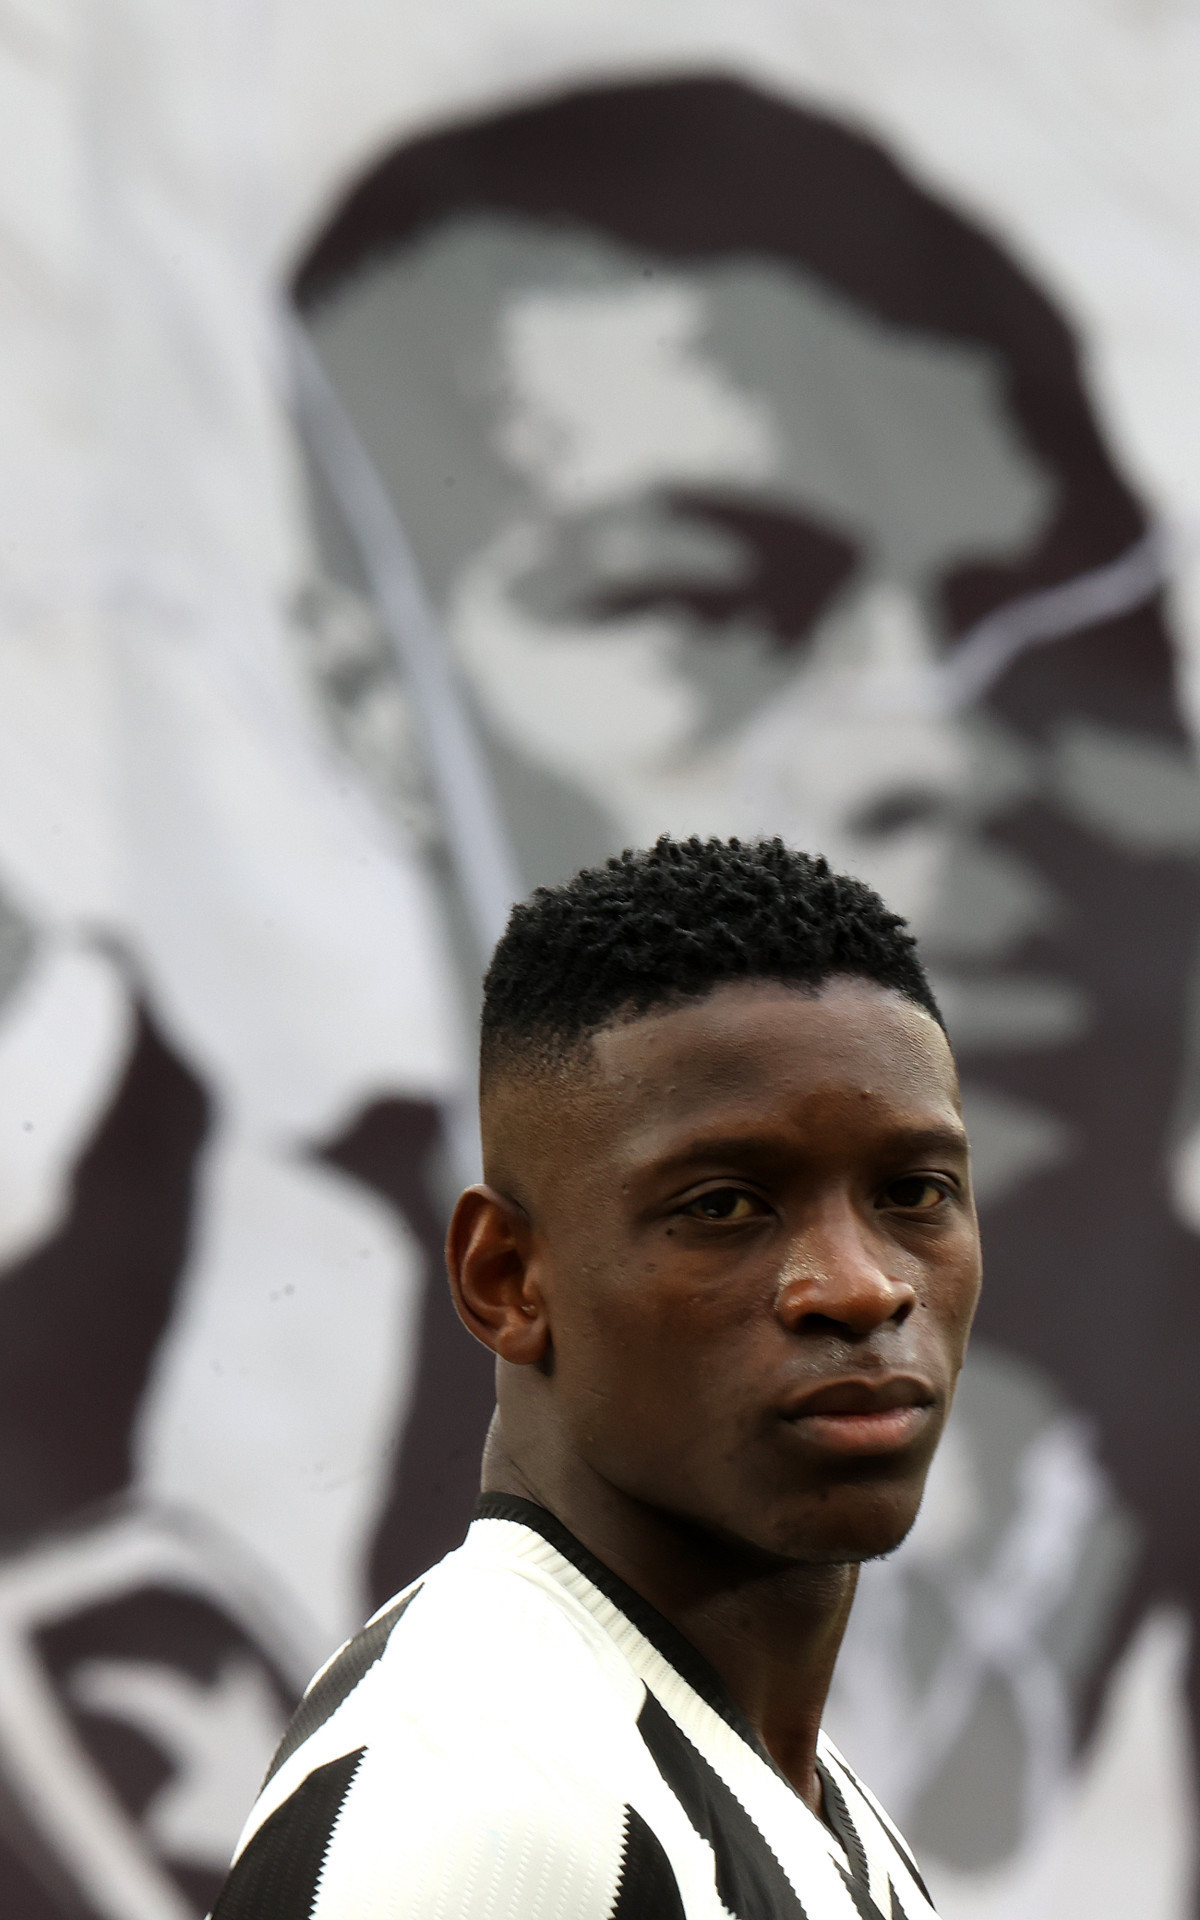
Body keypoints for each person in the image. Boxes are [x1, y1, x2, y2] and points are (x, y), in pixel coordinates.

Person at [212, 835, 982, 1920]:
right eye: (722, 1205)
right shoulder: (486, 1818)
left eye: (913, 1192)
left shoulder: (763, 1782)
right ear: (506, 1278)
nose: (860, 1288)